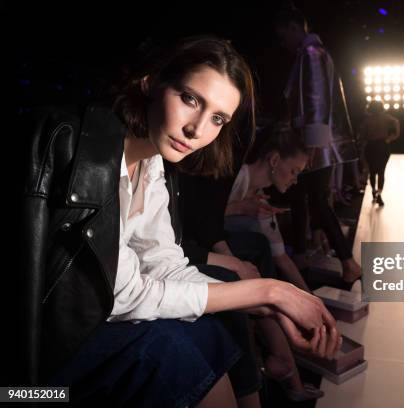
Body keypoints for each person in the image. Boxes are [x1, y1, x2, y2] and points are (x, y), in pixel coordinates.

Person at [18, 36, 340, 408]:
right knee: (167, 353)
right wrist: (268, 291)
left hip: (83, 338)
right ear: (151, 82)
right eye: (190, 99)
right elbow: (126, 295)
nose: (197, 129)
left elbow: (166, 265)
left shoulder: (153, 167)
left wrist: (270, 305)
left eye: (218, 118)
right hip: (32, 383)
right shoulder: (81, 151)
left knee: (212, 325)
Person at [224, 123, 326, 401]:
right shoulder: (234, 178)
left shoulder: (260, 201)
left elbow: (280, 256)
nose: (295, 180)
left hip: (246, 267)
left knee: (260, 245)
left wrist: (311, 300)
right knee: (255, 239)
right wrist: (238, 209)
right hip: (214, 263)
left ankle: (285, 366)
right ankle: (284, 367)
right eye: (294, 171)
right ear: (274, 160)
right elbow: (199, 225)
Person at [274, 7, 361, 283]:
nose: (282, 43)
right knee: (304, 199)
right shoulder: (309, 54)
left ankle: (347, 262)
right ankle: (305, 255)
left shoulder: (313, 54)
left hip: (315, 143)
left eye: (282, 35)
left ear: (293, 27)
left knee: (316, 202)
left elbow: (317, 99)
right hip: (312, 141)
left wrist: (312, 145)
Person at [359, 100, 400, 206]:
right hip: (382, 146)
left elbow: (362, 136)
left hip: (372, 146)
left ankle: (374, 192)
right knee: (381, 171)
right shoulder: (386, 117)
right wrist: (391, 138)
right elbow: (396, 122)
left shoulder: (367, 120)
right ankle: (379, 194)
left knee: (373, 172)